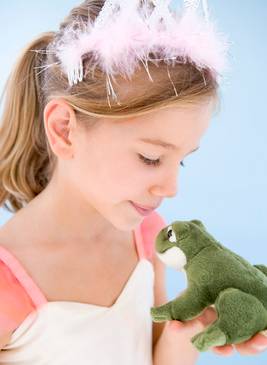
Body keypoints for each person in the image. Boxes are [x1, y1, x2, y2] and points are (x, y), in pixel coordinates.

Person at [0, 1, 266, 364]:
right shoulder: (7, 281)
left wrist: (189, 330)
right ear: (64, 130)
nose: (171, 188)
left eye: (182, 160)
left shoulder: (146, 237)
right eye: (151, 158)